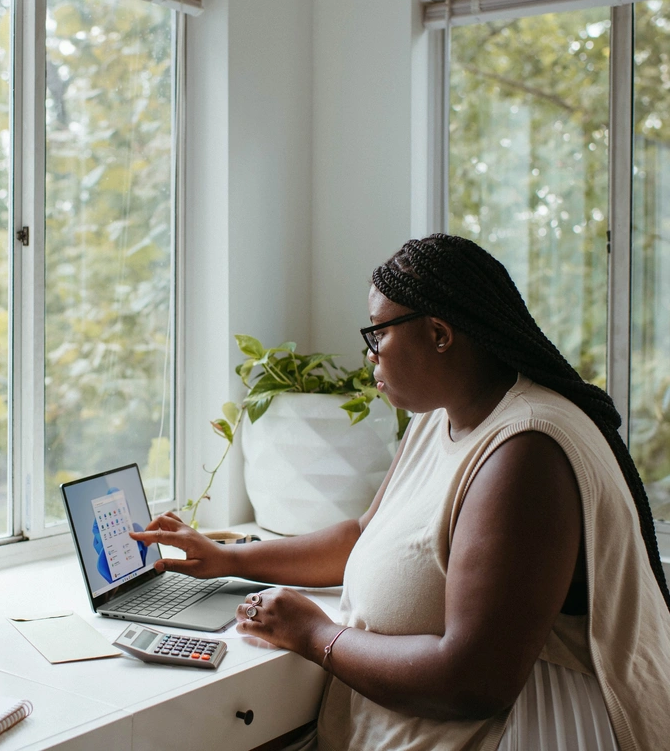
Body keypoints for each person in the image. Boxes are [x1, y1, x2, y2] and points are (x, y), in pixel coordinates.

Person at [130, 234, 670, 751]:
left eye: (378, 332)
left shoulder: (525, 453)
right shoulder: (443, 416)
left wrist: (316, 635)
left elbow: (473, 681)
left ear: (439, 333)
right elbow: (364, 535)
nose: (370, 355)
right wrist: (229, 557)